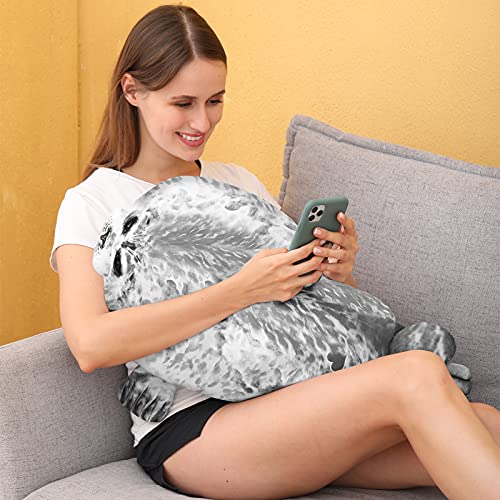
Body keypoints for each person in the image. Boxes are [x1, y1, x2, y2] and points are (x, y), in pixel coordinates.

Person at [50, 4, 500, 499]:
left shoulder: (236, 181)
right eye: (183, 103)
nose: (202, 121)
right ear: (133, 90)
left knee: (487, 424)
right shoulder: (94, 202)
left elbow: (297, 311)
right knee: (416, 372)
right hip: (194, 430)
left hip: (288, 403)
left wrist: (334, 273)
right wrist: (239, 290)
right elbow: (90, 344)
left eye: (215, 100)